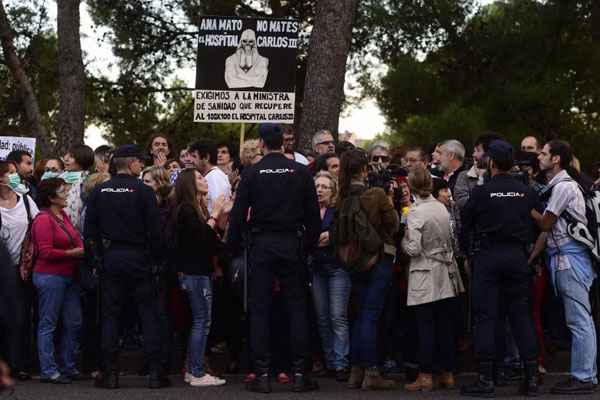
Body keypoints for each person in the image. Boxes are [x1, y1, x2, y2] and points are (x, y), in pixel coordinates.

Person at [227, 123, 321, 393]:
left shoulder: (253, 173)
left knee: (260, 310)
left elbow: (238, 215)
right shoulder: (301, 172)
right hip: (292, 243)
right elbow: (313, 218)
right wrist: (305, 247)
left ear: (262, 144)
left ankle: (263, 374)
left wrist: (234, 247)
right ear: (283, 143)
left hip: (262, 245)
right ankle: (301, 374)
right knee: (296, 308)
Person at [84, 144, 167, 389]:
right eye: (139, 162)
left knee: (110, 315)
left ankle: (109, 374)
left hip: (111, 258)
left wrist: (98, 259)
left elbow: (89, 233)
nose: (141, 165)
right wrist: (157, 261)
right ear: (131, 164)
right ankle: (154, 373)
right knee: (148, 314)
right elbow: (155, 233)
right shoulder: (144, 192)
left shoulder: (99, 191)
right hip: (139, 258)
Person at [460, 140, 540, 397]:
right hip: (517, 257)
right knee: (521, 316)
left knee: (485, 316)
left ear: (491, 163)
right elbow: (538, 225)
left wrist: (467, 255)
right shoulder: (526, 192)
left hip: (488, 257)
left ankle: (486, 378)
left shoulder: (481, 193)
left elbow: (465, 226)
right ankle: (531, 378)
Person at [532, 140, 598, 394]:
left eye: (544, 153)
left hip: (570, 260)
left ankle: (583, 377)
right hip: (572, 259)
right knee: (583, 319)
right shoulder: (565, 186)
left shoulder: (563, 187)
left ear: (557, 159)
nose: (540, 156)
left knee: (579, 320)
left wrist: (524, 205)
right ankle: (586, 374)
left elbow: (546, 224)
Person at [338, 150, 400, 391]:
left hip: (354, 261)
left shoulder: (342, 195)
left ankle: (357, 370)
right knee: (370, 315)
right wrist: (391, 201)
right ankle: (372, 371)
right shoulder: (376, 194)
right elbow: (393, 225)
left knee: (360, 314)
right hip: (378, 259)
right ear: (364, 170)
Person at [402, 168, 464, 392]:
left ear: (411, 186)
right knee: (445, 326)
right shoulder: (441, 207)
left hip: (424, 273)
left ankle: (425, 375)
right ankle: (447, 373)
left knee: (425, 327)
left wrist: (403, 240)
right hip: (446, 272)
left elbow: (413, 248)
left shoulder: (415, 212)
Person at [170, 168, 227, 387]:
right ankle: (196, 371)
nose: (205, 180)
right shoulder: (187, 210)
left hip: (199, 271)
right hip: (194, 273)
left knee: (200, 321)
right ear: (189, 184)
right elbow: (201, 238)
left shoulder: (195, 208)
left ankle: (193, 369)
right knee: (202, 321)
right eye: (200, 178)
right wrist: (215, 213)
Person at [31, 178, 84, 384]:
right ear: (51, 197)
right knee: (48, 323)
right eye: (63, 191)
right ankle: (48, 370)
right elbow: (45, 252)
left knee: (74, 322)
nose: (67, 194)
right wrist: (72, 253)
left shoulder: (62, 215)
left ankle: (68, 366)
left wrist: (77, 250)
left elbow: (76, 238)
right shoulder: (43, 219)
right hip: (50, 276)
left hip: (68, 276)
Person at [0, 160, 39, 381]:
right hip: (2, 270)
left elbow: (37, 226)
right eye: (11, 173)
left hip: (22, 269)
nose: (15, 177)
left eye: (16, 173)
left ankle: (20, 363)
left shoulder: (26, 201)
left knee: (22, 317)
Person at [311, 172, 350, 382]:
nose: (319, 190)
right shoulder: (309, 211)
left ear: (333, 190)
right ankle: (329, 360)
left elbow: (346, 234)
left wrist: (331, 236)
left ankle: (341, 363)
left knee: (338, 317)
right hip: (317, 269)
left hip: (337, 268)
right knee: (323, 318)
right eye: (317, 186)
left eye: (324, 186)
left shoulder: (338, 211)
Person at [454, 132, 501, 210]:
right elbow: (462, 203)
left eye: (478, 151)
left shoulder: (506, 176)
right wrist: (481, 180)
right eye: (474, 151)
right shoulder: (464, 176)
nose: (474, 155)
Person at [188, 139, 232, 214]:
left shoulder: (214, 177)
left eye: (194, 156)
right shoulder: (213, 175)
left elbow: (218, 209)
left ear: (206, 158)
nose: (190, 160)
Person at [62, 144, 94, 233]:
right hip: (58, 231)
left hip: (80, 235)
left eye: (71, 156)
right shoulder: (57, 179)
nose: (66, 159)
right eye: (67, 155)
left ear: (82, 159)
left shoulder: (90, 182)